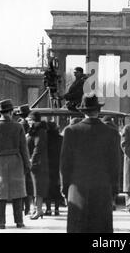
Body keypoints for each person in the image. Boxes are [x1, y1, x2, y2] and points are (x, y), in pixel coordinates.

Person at [60, 93, 119, 232]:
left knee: (78, 226)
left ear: (82, 111)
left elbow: (65, 164)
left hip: (77, 188)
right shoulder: (111, 133)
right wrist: (114, 189)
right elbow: (114, 165)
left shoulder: (71, 131)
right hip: (102, 188)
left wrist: (64, 188)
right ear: (98, 111)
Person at [0, 99, 31, 229]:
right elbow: (23, 148)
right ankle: (19, 221)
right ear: (11, 112)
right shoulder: (18, 126)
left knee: (0, 192)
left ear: (0, 112)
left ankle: (0, 221)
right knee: (18, 190)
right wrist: (27, 164)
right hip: (16, 159)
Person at [26, 111, 49, 220]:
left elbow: (38, 147)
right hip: (34, 162)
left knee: (38, 188)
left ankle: (39, 210)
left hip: (37, 163)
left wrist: (32, 161)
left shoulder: (40, 131)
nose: (29, 123)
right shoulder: (35, 131)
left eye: (30, 120)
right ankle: (36, 209)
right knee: (34, 187)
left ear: (35, 121)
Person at [102, 115, 122, 211]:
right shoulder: (115, 132)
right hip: (113, 160)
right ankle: (113, 201)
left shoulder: (100, 131)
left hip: (102, 161)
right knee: (113, 181)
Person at [44, 121, 63, 216]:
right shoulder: (61, 139)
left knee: (48, 188)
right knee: (57, 187)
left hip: (47, 165)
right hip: (58, 165)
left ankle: (48, 209)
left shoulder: (45, 139)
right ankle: (56, 209)